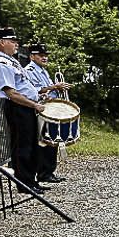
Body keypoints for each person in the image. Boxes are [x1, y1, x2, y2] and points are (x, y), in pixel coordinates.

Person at [0, 28, 47, 193]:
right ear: (2, 42)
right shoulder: (0, 63)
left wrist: (37, 98)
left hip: (26, 106)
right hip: (18, 108)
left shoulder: (11, 60)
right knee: (22, 146)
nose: (16, 45)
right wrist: (34, 104)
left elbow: (24, 86)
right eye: (12, 41)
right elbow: (11, 93)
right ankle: (24, 183)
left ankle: (31, 180)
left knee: (31, 145)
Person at [23, 43, 71, 183]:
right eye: (41, 56)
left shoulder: (42, 70)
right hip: (42, 109)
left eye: (45, 56)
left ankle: (49, 171)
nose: (44, 58)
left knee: (51, 140)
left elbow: (48, 89)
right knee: (45, 141)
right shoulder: (30, 70)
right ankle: (44, 172)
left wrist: (57, 89)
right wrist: (55, 86)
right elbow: (35, 90)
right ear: (32, 56)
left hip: (50, 108)